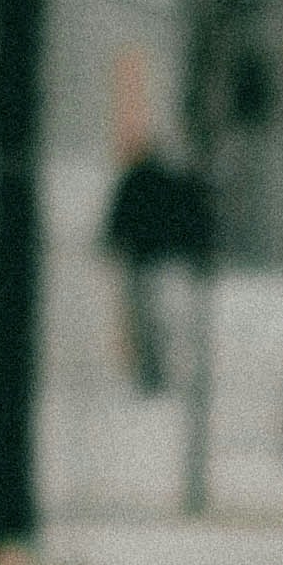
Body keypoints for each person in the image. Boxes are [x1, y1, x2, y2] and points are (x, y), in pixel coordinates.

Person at [104, 150, 192, 395]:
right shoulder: (166, 184)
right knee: (158, 318)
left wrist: (112, 242)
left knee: (143, 317)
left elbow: (118, 218)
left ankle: (149, 371)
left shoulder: (134, 182)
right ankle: (157, 370)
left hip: (140, 258)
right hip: (161, 258)